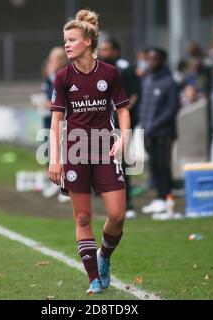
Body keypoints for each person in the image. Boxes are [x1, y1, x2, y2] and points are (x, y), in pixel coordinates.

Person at [48, 9, 131, 294]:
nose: (67, 45)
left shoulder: (110, 73)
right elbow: (56, 121)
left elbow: (122, 109)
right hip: (75, 152)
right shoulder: (62, 77)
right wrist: (55, 159)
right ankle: (93, 277)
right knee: (83, 218)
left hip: (105, 150)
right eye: (65, 40)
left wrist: (124, 137)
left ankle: (104, 257)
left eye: (71, 39)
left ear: (88, 42)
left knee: (117, 214)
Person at [98, 37, 141, 219]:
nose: (103, 53)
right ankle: (110, 203)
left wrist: (120, 115)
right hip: (102, 123)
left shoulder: (126, 69)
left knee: (121, 163)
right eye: (102, 49)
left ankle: (127, 202)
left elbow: (134, 95)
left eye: (107, 49)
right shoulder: (98, 69)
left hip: (121, 123)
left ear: (116, 51)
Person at [139, 48, 180, 218]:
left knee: (164, 166)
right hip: (148, 131)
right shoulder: (147, 79)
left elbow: (172, 108)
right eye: (149, 58)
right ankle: (158, 198)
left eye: (155, 59)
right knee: (154, 166)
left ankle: (166, 198)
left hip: (163, 132)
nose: (151, 62)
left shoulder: (169, 82)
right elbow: (144, 105)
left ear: (162, 60)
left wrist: (157, 123)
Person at [39, 47, 69, 201]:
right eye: (51, 59)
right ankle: (55, 181)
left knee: (64, 150)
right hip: (49, 117)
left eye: (55, 59)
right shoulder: (49, 75)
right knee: (49, 149)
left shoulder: (63, 75)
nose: (51, 62)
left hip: (61, 118)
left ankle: (67, 184)